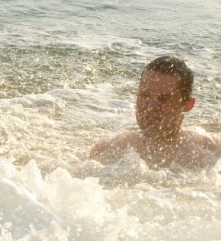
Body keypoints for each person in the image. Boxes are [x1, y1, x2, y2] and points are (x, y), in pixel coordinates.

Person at [90, 55, 219, 171]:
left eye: (164, 99)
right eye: (145, 95)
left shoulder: (211, 150)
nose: (151, 107)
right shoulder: (109, 149)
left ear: (188, 105)